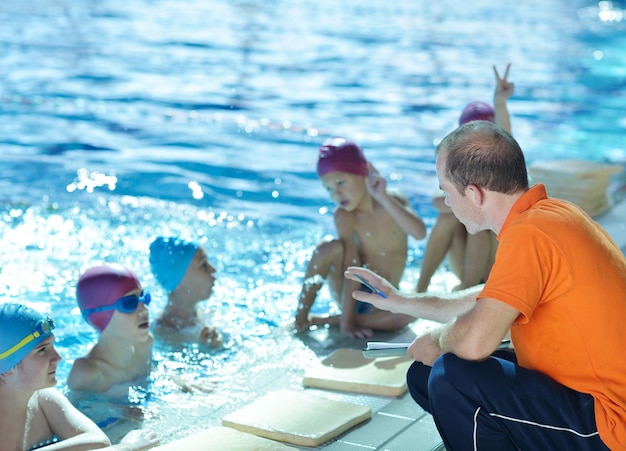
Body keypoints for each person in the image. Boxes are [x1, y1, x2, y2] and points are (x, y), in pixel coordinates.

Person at [345, 120, 626, 450]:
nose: (447, 203)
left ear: (473, 193)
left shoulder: (529, 234)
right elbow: (484, 298)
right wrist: (402, 300)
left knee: (453, 377)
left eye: (446, 192)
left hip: (608, 424)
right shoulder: (553, 216)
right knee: (426, 375)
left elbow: (475, 342)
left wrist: (437, 339)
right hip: (587, 398)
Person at [295, 137, 427, 338]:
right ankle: (301, 318)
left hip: (382, 296)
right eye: (329, 188)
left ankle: (328, 320)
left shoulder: (393, 199)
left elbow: (419, 233)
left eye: (341, 182)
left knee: (407, 316)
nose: (336, 194)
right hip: (350, 293)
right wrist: (347, 323)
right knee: (327, 247)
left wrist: (383, 197)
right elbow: (352, 266)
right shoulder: (345, 216)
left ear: (364, 172)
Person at [0, 303, 159, 451]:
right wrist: (125, 448)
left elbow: (99, 442)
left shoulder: (43, 398)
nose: (58, 357)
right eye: (42, 350)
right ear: (7, 368)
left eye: (52, 346)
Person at [416, 63, 514, 292]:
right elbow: (437, 201)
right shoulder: (454, 168)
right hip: (464, 260)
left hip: (493, 265)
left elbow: (507, 138)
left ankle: (469, 289)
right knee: (449, 217)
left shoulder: (504, 169)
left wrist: (500, 104)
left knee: (483, 218)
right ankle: (420, 289)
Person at [67, 264, 153, 395]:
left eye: (143, 297)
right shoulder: (87, 373)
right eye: (129, 303)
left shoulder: (144, 346)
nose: (144, 310)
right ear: (100, 316)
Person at [149, 236, 222, 348]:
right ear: (179, 279)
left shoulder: (209, 315)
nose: (213, 270)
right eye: (203, 265)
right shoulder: (162, 335)